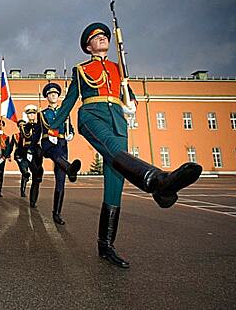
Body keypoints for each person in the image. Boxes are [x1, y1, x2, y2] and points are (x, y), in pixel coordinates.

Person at [49, 22, 202, 268]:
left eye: (104, 36)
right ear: (88, 46)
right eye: (96, 37)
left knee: (114, 183)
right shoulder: (81, 69)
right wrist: (52, 125)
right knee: (115, 150)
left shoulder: (117, 68)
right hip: (91, 116)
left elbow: (128, 97)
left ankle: (106, 245)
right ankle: (157, 181)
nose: (101, 38)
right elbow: (69, 101)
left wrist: (131, 102)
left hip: (118, 122)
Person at [36, 83, 81, 225]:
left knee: (60, 180)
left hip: (62, 144)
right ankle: (70, 169)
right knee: (55, 154)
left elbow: (71, 128)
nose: (53, 95)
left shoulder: (65, 112)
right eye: (50, 94)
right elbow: (38, 132)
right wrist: (33, 149)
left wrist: (71, 134)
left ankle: (57, 213)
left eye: (55, 93)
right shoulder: (42, 114)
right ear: (47, 97)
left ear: (58, 96)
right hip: (48, 144)